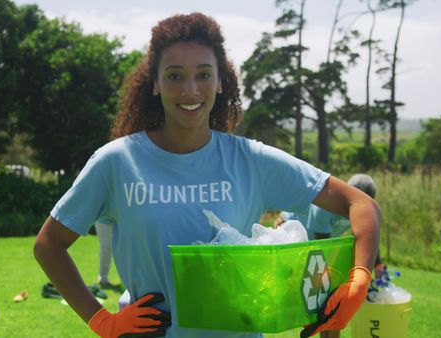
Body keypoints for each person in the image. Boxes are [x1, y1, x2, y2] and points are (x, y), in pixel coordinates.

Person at [33, 12, 380, 338]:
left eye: (203, 74)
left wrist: (360, 277)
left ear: (219, 83)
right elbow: (49, 245)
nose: (190, 90)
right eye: (174, 75)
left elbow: (360, 204)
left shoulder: (251, 160)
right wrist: (102, 321)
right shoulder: (117, 162)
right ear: (154, 83)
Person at [274, 173, 383, 338]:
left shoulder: (360, 209)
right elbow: (323, 249)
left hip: (314, 241)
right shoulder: (324, 208)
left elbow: (367, 236)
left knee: (329, 298)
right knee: (322, 294)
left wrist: (378, 265)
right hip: (288, 233)